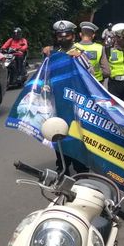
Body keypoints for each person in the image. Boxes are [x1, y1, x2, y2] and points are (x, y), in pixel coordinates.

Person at [43, 20, 92, 174]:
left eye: (67, 35)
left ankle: (80, 167)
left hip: (75, 101)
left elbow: (89, 75)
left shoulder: (80, 53)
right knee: (57, 132)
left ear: (72, 36)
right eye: (60, 36)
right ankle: (62, 166)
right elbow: (45, 74)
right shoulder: (52, 54)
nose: (63, 38)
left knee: (76, 134)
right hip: (57, 101)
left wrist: (78, 59)